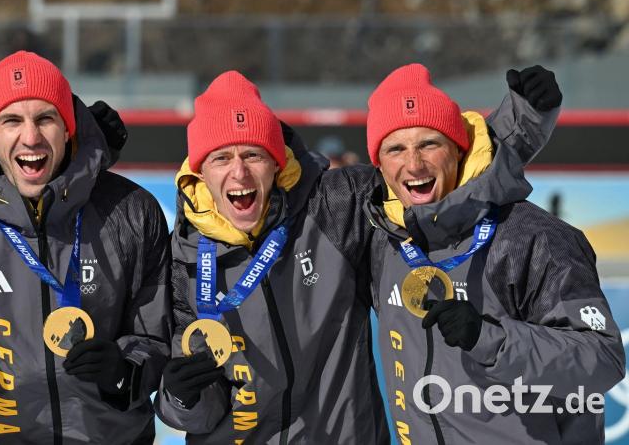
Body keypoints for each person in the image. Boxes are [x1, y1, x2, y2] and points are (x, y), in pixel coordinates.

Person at [154, 67, 563, 444]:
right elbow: (197, 412)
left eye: (253, 155)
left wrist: (523, 119)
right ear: (200, 171)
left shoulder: (333, 207)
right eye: (222, 157)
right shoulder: (184, 257)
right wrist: (179, 398)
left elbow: (439, 179)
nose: (239, 173)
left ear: (277, 164)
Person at [0, 51, 171, 444]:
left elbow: (155, 338)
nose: (31, 137)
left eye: (45, 118)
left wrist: (124, 371)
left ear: (69, 128)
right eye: (11, 121)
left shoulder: (131, 213)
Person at [365, 64, 625, 444]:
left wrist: (491, 339)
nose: (414, 164)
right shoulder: (381, 236)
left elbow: (603, 360)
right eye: (396, 149)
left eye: (429, 144)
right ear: (380, 165)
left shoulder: (532, 237)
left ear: (458, 149)